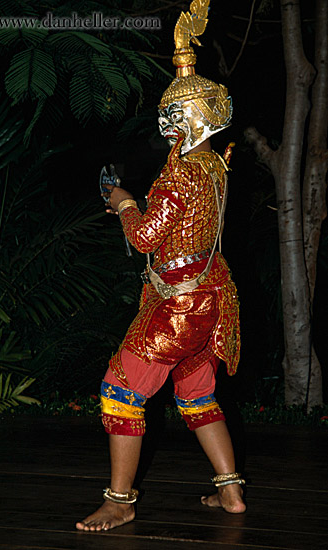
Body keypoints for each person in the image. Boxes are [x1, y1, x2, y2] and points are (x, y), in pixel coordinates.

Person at [76, 0, 246, 532]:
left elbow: (148, 236)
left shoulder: (178, 178)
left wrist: (125, 203)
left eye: (172, 118)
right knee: (197, 393)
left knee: (120, 392)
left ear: (192, 119)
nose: (165, 124)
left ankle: (120, 499)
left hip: (180, 307)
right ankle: (231, 493)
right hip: (211, 298)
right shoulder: (213, 164)